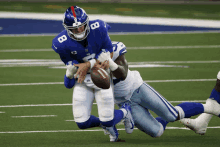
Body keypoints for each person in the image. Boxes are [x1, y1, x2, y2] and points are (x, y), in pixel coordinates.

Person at [97, 41, 220, 138]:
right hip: (125, 102)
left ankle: (210, 108)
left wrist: (111, 64)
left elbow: (122, 73)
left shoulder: (113, 48)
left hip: (137, 89)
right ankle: (125, 114)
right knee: (157, 131)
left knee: (172, 115)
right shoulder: (86, 61)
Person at [51, 6, 133, 142]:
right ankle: (107, 123)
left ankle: (125, 112)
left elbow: (109, 52)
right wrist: (69, 74)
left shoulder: (98, 27)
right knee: (82, 123)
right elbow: (68, 84)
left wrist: (89, 64)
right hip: (83, 80)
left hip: (102, 74)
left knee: (108, 120)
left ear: (87, 23)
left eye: (81, 27)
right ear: (67, 28)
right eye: (74, 29)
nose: (79, 31)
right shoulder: (60, 43)